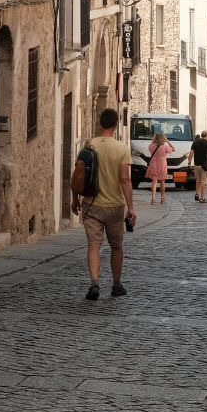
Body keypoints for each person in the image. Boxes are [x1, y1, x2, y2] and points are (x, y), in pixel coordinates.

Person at [72, 107, 135, 301]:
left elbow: (78, 174)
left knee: (94, 244)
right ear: (116, 125)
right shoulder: (122, 149)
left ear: (100, 123)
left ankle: (94, 283)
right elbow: (125, 180)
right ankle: (116, 284)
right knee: (116, 246)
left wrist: (75, 199)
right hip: (115, 206)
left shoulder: (89, 146)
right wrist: (130, 207)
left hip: (91, 204)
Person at [145, 127, 174, 205]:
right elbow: (173, 149)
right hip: (162, 164)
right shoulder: (165, 147)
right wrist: (167, 141)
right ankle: (162, 197)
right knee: (162, 182)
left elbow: (150, 149)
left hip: (153, 164)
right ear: (163, 139)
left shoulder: (151, 146)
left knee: (154, 182)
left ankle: (153, 198)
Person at [190, 128, 207, 203]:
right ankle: (202, 198)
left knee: (198, 180)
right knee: (204, 182)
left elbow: (191, 153)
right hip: (205, 166)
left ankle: (196, 194)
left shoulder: (195, 142)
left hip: (197, 165)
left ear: (201, 135)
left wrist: (189, 163)